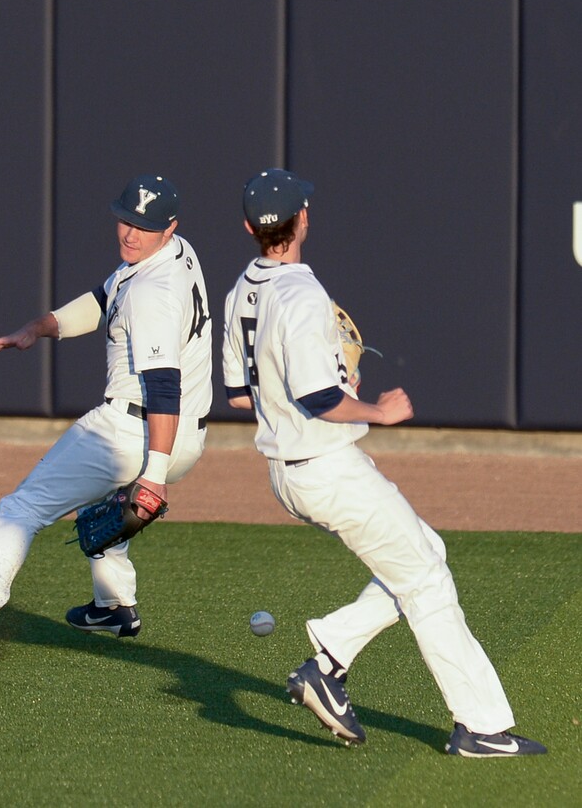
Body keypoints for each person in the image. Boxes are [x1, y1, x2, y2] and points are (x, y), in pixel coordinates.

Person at [222, 168, 546, 758]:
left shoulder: (242, 289)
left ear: (249, 228)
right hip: (327, 467)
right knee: (426, 580)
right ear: (303, 219)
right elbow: (318, 397)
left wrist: (325, 385)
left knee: (425, 552)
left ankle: (330, 658)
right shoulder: (301, 293)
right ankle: (480, 727)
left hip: (287, 472)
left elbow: (240, 395)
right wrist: (376, 409)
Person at [0, 174, 212, 657]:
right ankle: (114, 606)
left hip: (135, 430)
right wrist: (38, 328)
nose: (130, 234)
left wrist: (155, 476)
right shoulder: (176, 253)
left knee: (20, 509)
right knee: (103, 509)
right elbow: (104, 299)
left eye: (144, 227)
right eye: (126, 221)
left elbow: (164, 384)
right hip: (186, 437)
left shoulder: (152, 291)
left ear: (170, 227)